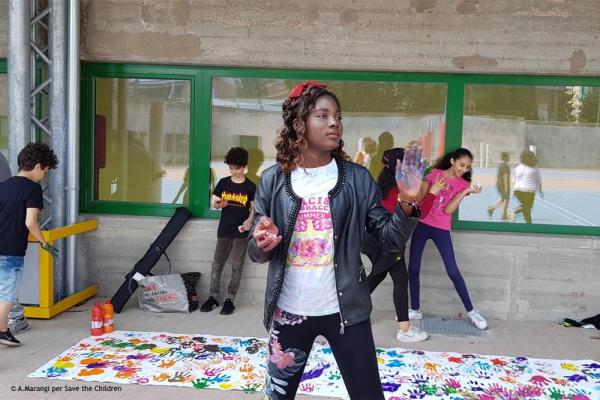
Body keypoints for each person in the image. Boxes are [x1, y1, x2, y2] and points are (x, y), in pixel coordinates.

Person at [248, 81, 420, 399]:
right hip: (288, 312)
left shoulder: (356, 178)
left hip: (346, 312)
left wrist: (407, 202)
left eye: (337, 117)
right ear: (299, 123)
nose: (334, 123)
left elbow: (389, 239)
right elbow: (254, 251)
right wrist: (261, 243)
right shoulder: (273, 179)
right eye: (323, 115)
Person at [364, 147, 445, 342]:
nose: (415, 168)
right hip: (389, 243)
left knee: (378, 275)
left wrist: (425, 189)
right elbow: (418, 212)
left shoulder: (382, 185)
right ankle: (405, 330)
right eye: (411, 165)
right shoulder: (399, 190)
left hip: (377, 240)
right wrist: (432, 192)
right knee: (400, 280)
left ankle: (346, 310)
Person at [408, 148, 488, 330]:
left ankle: (472, 312)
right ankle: (415, 309)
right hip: (421, 224)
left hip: (441, 228)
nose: (464, 169)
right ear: (452, 160)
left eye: (467, 167)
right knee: (413, 268)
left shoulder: (461, 184)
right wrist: (428, 186)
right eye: (462, 164)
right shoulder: (434, 174)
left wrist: (465, 191)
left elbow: (447, 210)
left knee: (452, 271)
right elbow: (421, 199)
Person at [0, 143, 59, 346]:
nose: (43, 175)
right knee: (7, 295)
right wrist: (44, 243)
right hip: (10, 251)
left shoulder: (2, 186)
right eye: (45, 171)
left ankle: (4, 331)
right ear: (38, 167)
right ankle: (1, 331)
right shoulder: (33, 189)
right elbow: (31, 222)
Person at [200, 147, 256, 315]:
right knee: (217, 264)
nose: (233, 171)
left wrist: (249, 221)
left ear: (244, 166)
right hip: (224, 229)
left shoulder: (250, 186)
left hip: (241, 231)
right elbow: (215, 203)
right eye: (231, 167)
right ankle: (213, 297)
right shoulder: (224, 183)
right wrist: (219, 205)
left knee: (237, 266)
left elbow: (255, 208)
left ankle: (230, 299)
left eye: (236, 168)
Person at [509, 149, 543, 224]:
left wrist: (512, 191)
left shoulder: (517, 168)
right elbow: (539, 181)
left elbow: (513, 181)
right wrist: (540, 191)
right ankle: (515, 212)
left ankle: (528, 223)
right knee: (527, 208)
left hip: (517, 191)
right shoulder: (535, 168)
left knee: (526, 209)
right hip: (529, 191)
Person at [487, 151, 511, 220]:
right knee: (506, 200)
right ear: (505, 157)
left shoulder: (500, 165)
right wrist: (506, 187)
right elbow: (505, 177)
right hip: (503, 185)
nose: (509, 158)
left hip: (498, 184)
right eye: (508, 156)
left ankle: (491, 208)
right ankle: (503, 215)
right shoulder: (506, 167)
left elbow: (499, 176)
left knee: (503, 199)